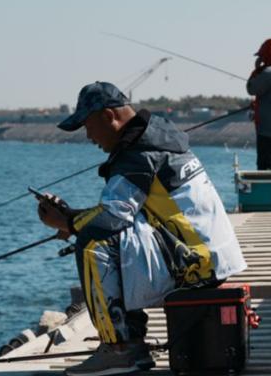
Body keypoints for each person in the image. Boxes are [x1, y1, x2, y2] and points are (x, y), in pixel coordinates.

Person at [36, 81, 247, 376]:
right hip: (206, 255)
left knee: (94, 242)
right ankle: (132, 345)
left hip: (197, 263)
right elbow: (122, 213)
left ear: (109, 116)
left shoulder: (139, 154)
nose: (88, 136)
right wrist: (72, 219)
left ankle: (119, 349)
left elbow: (111, 218)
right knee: (101, 232)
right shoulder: (155, 138)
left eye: (88, 125)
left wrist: (68, 223)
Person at [247, 39, 271, 170]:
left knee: (265, 169)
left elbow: (251, 89)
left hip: (267, 133)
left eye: (261, 55)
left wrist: (257, 70)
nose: (260, 58)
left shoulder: (267, 73)